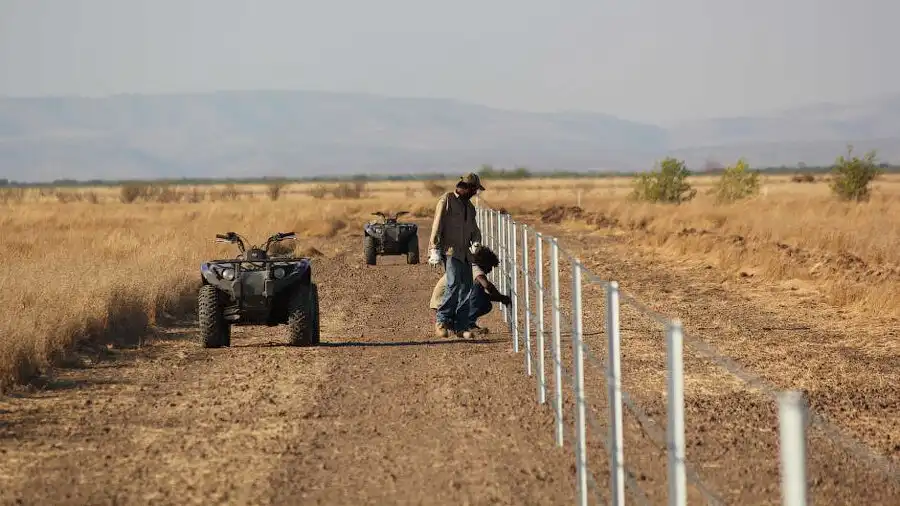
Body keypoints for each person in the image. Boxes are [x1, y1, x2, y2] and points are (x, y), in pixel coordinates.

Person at [428, 172, 484, 337]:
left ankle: (460, 326)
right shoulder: (447, 200)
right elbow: (437, 224)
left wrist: (476, 242)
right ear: (468, 187)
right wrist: (434, 248)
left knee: (467, 287)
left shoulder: (470, 207)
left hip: (465, 253)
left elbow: (474, 229)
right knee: (453, 284)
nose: (475, 193)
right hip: (450, 250)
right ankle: (442, 321)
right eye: (474, 190)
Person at [429, 245, 511, 337]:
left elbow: (481, 296)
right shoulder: (473, 267)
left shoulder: (468, 265)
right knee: (477, 288)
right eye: (490, 267)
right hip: (443, 304)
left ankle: (461, 323)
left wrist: (500, 299)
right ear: (484, 263)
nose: (490, 270)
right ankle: (465, 324)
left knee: (485, 302)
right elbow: (487, 285)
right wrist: (501, 298)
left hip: (445, 301)